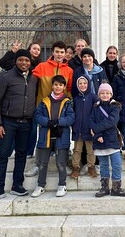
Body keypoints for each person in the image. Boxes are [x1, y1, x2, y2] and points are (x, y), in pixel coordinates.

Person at [0, 49, 38, 202]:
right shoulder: (5, 77)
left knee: (21, 154)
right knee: (2, 155)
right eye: (21, 60)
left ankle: (17, 185)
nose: (24, 63)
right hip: (8, 122)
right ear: (16, 61)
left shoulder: (34, 79)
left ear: (30, 62)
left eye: (27, 61)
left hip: (26, 123)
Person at [25, 41, 73, 177]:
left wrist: (68, 105)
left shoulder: (69, 70)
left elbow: (69, 90)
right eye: (57, 51)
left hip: (62, 109)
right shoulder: (41, 67)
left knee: (63, 137)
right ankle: (38, 165)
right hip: (44, 108)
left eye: (62, 52)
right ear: (53, 52)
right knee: (42, 138)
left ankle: (63, 165)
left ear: (65, 54)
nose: (59, 54)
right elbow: (31, 86)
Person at [31, 75, 75, 197]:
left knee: (61, 162)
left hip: (61, 135)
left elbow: (71, 118)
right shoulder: (44, 101)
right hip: (46, 135)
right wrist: (48, 122)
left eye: (61, 85)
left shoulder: (67, 102)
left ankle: (62, 184)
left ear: (64, 87)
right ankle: (40, 185)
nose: (58, 87)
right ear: (52, 85)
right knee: (43, 162)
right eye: (56, 84)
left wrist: (58, 122)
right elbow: (38, 116)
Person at [90, 82, 125, 197]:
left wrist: (96, 129)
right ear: (99, 94)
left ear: (111, 94)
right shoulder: (95, 107)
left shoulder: (115, 106)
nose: (105, 95)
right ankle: (104, 187)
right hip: (100, 141)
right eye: (102, 93)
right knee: (103, 165)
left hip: (112, 139)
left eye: (107, 93)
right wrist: (98, 135)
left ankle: (116, 188)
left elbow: (112, 121)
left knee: (117, 164)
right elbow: (91, 122)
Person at [70, 76, 99, 179]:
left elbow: (96, 112)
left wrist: (94, 126)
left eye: (84, 83)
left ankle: (91, 166)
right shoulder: (76, 99)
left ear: (88, 84)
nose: (82, 85)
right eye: (80, 84)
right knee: (77, 150)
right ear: (77, 85)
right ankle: (75, 167)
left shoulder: (93, 97)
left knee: (91, 150)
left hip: (89, 128)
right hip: (78, 128)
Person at [25, 42, 42, 158]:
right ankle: (27, 151)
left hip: (37, 98)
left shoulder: (40, 65)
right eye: (34, 48)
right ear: (29, 49)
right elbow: (4, 63)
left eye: (38, 49)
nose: (36, 51)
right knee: (29, 128)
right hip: (26, 99)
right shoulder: (23, 63)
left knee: (33, 128)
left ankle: (29, 151)